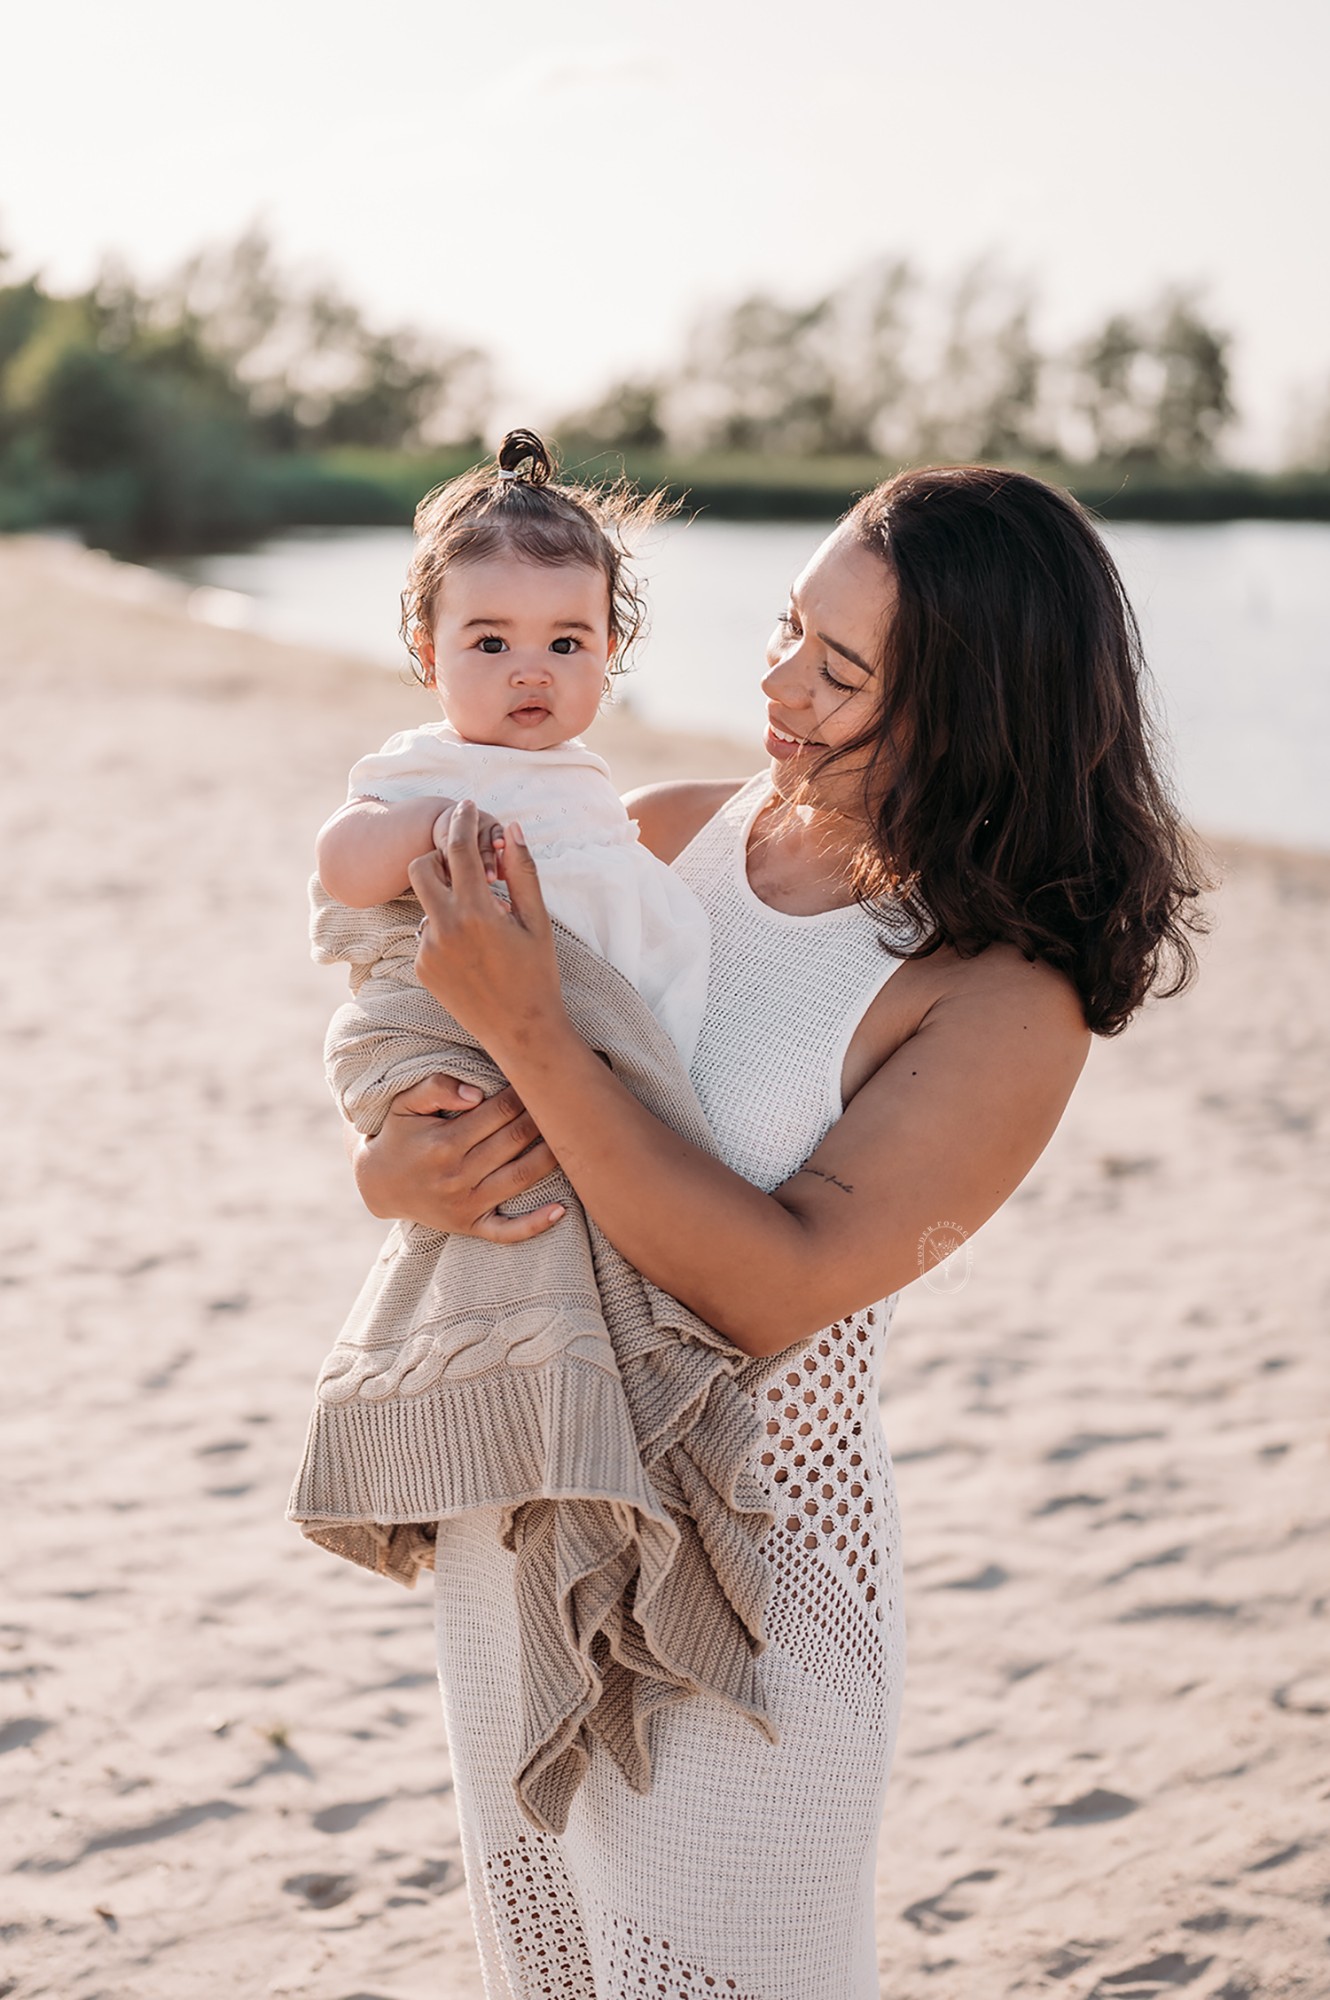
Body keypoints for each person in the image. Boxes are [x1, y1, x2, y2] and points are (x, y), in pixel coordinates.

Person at [346, 463, 1208, 1998]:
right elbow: (413, 1118)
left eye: (842, 669)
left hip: (745, 1590)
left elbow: (773, 1288)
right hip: (526, 1519)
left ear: (970, 713)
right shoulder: (655, 837)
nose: (779, 683)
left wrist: (536, 1032)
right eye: (784, 627)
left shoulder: (994, 997)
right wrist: (405, 1175)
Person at [315, 426, 709, 1065]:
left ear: (609, 652)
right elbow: (341, 866)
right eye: (492, 644)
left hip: (590, 1026)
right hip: (470, 1026)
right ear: (430, 656)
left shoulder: (583, 775)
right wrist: (432, 823)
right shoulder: (437, 764)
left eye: (565, 644)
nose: (532, 672)